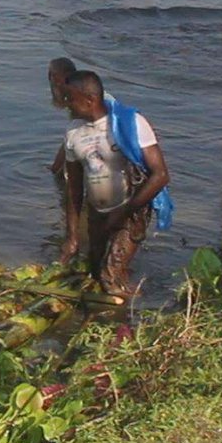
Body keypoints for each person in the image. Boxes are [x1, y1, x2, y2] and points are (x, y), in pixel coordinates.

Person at [58, 70, 172, 295]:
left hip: (131, 210)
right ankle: (123, 291)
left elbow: (160, 175)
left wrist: (124, 212)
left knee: (110, 277)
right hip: (97, 211)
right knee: (93, 270)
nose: (67, 104)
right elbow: (74, 189)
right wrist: (72, 237)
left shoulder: (130, 123)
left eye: (70, 99)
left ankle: (129, 312)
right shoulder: (73, 133)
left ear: (90, 99)